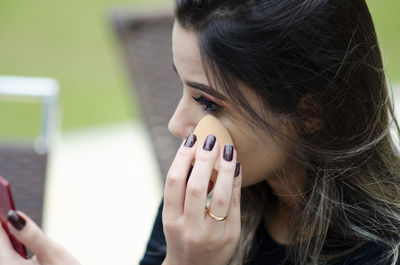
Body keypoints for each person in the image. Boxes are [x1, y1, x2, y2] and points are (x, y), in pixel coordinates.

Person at [1, 0, 400, 264]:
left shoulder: (381, 252)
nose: (177, 125)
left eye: (207, 102)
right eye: (183, 86)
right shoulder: (204, 200)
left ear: (309, 113)